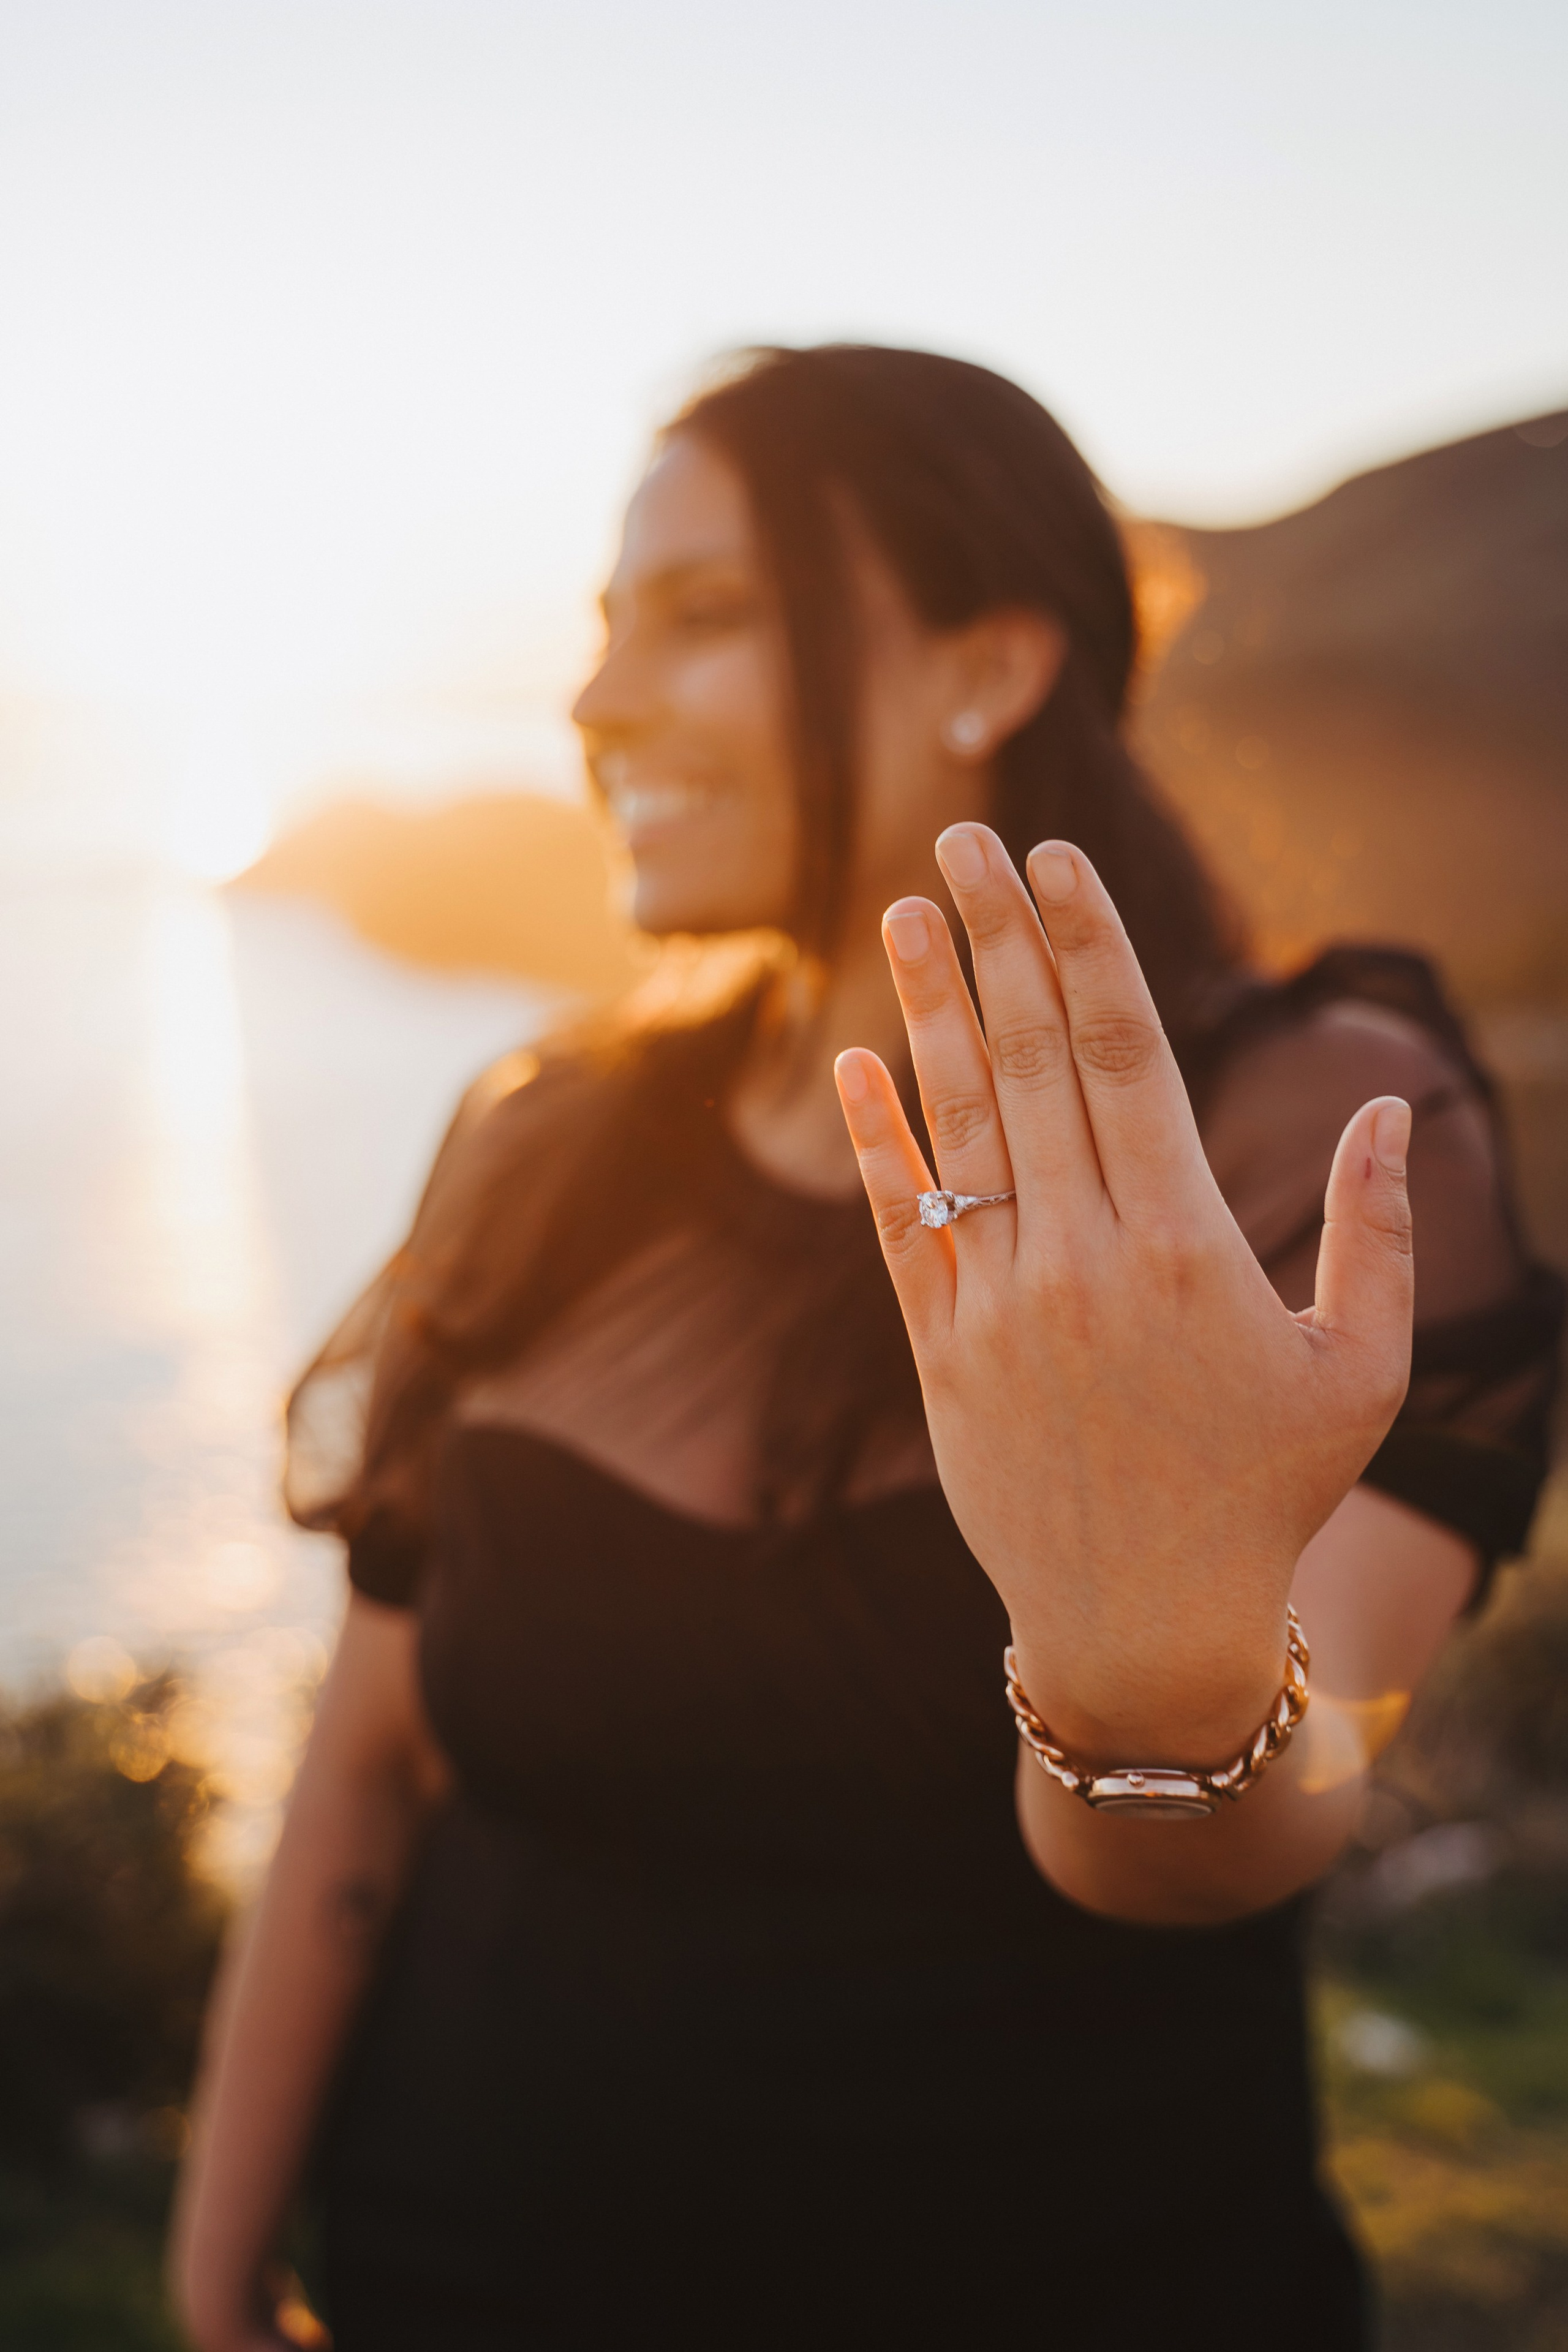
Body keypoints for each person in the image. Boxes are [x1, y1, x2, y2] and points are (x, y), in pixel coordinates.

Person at [170, 345, 1562, 2352]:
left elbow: (1258, 1835)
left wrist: (1143, 1652)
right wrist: (220, 2250)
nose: (594, 703)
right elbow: (367, 1772)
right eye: (601, 630)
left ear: (986, 666)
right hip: (448, 2272)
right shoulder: (549, 1144)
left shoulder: (1317, 1141)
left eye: (705, 617)